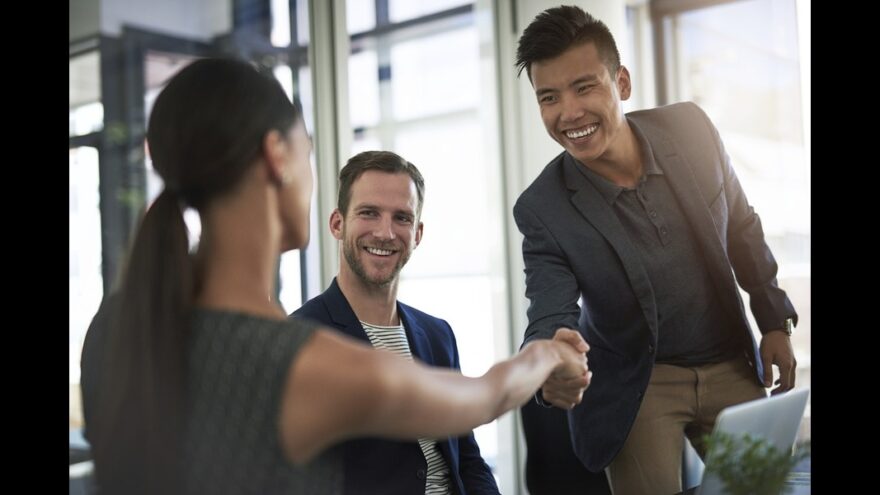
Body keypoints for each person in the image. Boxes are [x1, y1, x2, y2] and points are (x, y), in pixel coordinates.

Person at [79, 57, 592, 495]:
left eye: (402, 218)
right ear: (276, 156)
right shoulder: (298, 362)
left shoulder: (119, 327)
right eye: (309, 153)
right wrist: (549, 351)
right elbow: (485, 398)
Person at [512, 6, 799, 495]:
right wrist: (548, 358)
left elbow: (742, 229)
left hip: (729, 360)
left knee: (763, 490)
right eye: (549, 97)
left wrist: (773, 319)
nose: (569, 113)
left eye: (585, 87)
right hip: (637, 382)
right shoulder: (543, 207)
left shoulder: (692, 130)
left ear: (621, 82)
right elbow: (548, 306)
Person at [293, 151, 500, 495]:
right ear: (337, 223)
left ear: (417, 234)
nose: (385, 233)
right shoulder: (301, 338)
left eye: (402, 218)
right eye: (369, 213)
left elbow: (467, 459)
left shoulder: (438, 335)